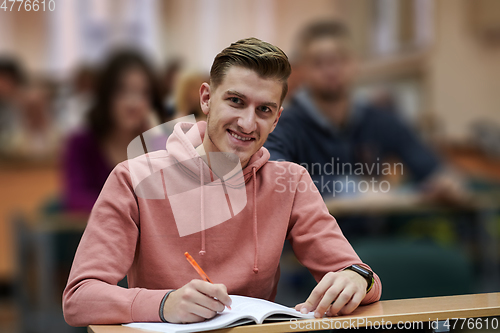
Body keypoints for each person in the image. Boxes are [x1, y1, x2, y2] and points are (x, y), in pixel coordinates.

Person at [62, 38, 381, 326]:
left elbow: (361, 275)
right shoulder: (132, 178)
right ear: (206, 98)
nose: (247, 122)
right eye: (236, 101)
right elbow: (79, 299)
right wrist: (163, 304)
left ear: (276, 119)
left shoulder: (291, 182)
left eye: (264, 109)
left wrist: (356, 278)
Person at [264, 21, 466, 203]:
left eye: (340, 59)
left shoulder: (381, 120)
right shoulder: (283, 125)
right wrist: (351, 189)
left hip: (373, 238)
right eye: (319, 62)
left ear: (355, 63)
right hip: (306, 240)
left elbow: (431, 169)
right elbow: (274, 179)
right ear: (301, 70)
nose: (331, 70)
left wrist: (443, 182)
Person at [61, 50, 164, 213]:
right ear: (106, 95)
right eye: (123, 91)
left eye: (143, 93)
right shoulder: (81, 143)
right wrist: (131, 209)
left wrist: (158, 139)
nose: (133, 103)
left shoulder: (158, 143)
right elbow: (76, 199)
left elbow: (171, 201)